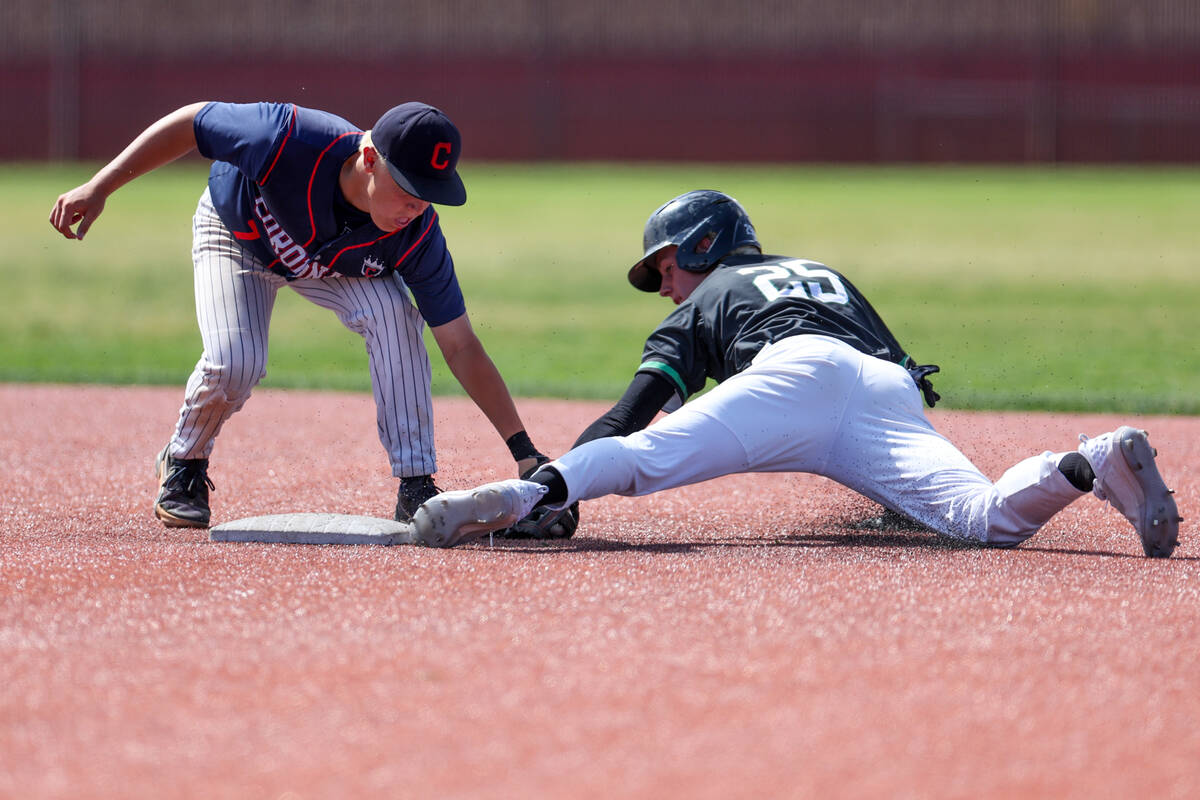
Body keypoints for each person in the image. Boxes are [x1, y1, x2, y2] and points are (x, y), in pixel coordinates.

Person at [409, 190, 1183, 557]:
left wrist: (562, 482)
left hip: (787, 379)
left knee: (639, 464)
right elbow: (908, 375)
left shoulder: (708, 294)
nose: (668, 284)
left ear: (705, 246)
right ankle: (1089, 461)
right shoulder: (824, 272)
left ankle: (518, 498)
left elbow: (630, 414)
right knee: (983, 519)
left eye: (668, 265)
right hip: (883, 389)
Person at [49, 101, 548, 528]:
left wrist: (524, 451)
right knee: (236, 361)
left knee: (395, 314)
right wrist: (101, 185)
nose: (416, 206)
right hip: (237, 238)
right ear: (369, 158)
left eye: (428, 196)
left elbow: (460, 344)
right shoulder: (285, 137)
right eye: (408, 189)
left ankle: (416, 483)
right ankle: (184, 460)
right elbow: (191, 121)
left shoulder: (415, 232)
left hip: (327, 265)